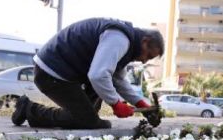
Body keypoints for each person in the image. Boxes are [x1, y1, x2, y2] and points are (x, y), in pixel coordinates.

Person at [11, 18, 164, 129]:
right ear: (145, 41)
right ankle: (29, 109)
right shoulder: (120, 39)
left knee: (87, 117)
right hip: (51, 72)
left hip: (63, 73)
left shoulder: (126, 42)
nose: (144, 61)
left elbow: (117, 79)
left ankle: (81, 116)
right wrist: (116, 104)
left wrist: (139, 102)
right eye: (148, 55)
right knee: (88, 122)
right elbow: (98, 75)